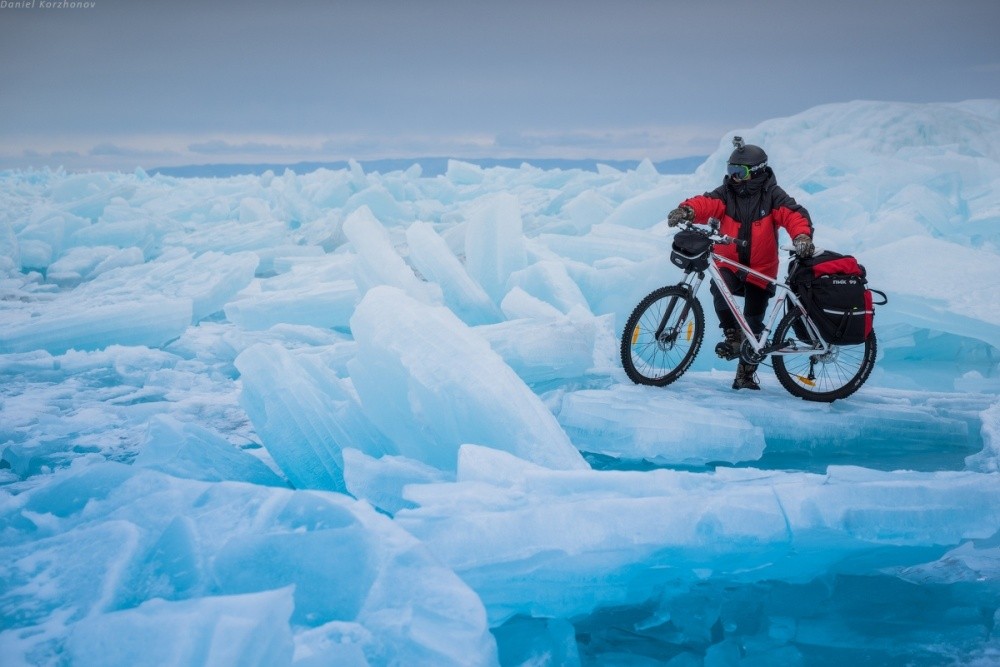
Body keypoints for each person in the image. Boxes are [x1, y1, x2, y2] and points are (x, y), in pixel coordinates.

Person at [667, 137, 815, 390]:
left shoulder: (773, 196)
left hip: (761, 270)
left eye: (740, 172)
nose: (734, 177)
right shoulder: (726, 194)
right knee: (719, 287)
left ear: (756, 172)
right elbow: (706, 203)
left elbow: (794, 215)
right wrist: (687, 210)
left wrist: (801, 236)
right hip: (731, 263)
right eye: (730, 171)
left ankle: (745, 374)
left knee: (754, 323)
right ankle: (733, 336)